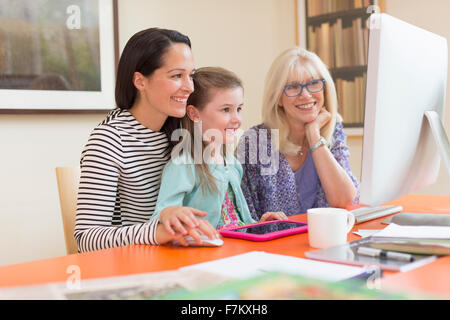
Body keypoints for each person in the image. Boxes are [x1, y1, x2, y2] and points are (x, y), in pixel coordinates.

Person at [75, 28, 219, 253]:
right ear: (140, 81)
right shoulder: (109, 140)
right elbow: (86, 238)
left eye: (190, 75)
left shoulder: (182, 130)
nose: (189, 86)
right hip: (134, 266)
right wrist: (157, 230)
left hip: (183, 256)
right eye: (176, 75)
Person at [150, 67, 287, 230]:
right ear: (194, 114)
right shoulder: (183, 166)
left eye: (239, 109)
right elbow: (160, 218)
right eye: (226, 110)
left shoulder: (232, 163)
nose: (237, 119)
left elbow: (238, 220)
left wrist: (260, 223)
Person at [238, 47, 360, 221]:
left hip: (325, 240)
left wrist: (314, 136)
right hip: (273, 245)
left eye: (313, 83)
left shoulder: (333, 132)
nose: (306, 94)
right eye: (293, 87)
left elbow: (343, 200)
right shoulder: (255, 142)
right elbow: (242, 213)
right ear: (278, 98)